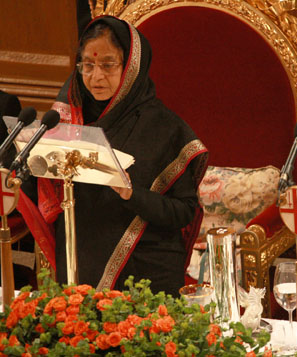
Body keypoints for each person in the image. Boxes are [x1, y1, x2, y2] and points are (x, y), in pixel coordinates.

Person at [18, 15, 208, 296]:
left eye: (108, 65)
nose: (96, 77)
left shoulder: (164, 128)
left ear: (131, 66)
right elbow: (45, 197)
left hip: (145, 275)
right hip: (78, 266)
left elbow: (183, 212)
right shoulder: (66, 118)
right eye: (87, 65)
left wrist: (133, 194)